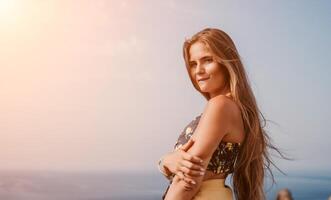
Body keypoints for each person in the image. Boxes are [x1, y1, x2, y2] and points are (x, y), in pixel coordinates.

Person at [157, 27, 285, 200]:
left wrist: (165, 162)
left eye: (207, 60)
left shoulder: (220, 105)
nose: (198, 70)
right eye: (193, 64)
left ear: (226, 63)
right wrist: (165, 162)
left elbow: (188, 179)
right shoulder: (232, 107)